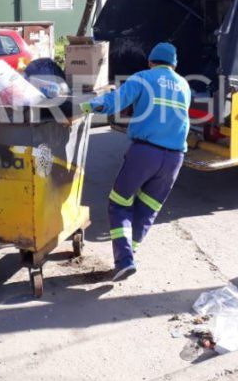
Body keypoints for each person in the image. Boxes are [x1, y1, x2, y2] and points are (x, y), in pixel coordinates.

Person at [81, 42, 191, 281]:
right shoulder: (184, 85)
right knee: (147, 209)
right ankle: (129, 256)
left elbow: (113, 103)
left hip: (145, 154)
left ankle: (125, 260)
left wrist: (83, 105)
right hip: (174, 159)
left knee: (119, 203)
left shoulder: (142, 78)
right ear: (174, 64)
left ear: (151, 61)